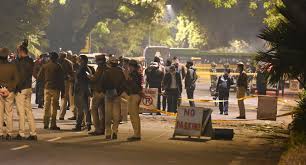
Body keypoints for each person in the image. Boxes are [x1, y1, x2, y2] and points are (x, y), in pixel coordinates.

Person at [14, 40, 37, 140]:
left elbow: (21, 76)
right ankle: (33, 133)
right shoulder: (30, 60)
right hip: (28, 88)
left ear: (21, 52)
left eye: (18, 51)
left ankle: (21, 133)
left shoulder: (22, 62)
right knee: (29, 111)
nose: (17, 53)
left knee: (21, 112)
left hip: (22, 89)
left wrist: (17, 88)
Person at [101, 56, 126, 140]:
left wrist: (105, 92)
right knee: (116, 114)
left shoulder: (106, 72)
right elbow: (123, 83)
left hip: (108, 94)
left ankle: (108, 132)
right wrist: (119, 92)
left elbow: (103, 83)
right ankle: (115, 131)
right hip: (117, 95)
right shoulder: (121, 72)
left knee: (108, 113)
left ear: (110, 63)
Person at [38, 52, 64, 130]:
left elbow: (39, 77)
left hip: (47, 87)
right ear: (56, 58)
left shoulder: (45, 66)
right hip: (55, 88)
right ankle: (53, 124)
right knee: (54, 107)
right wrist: (63, 91)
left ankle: (45, 123)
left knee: (46, 106)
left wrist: (45, 82)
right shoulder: (58, 66)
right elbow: (61, 79)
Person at [0, 48, 19, 140]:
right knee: (9, 113)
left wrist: (1, 88)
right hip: (10, 92)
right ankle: (9, 133)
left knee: (0, 113)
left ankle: (0, 133)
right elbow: (16, 80)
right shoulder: (13, 66)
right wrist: (8, 89)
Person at [89, 54, 108, 136]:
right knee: (103, 111)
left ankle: (97, 129)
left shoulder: (100, 69)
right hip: (105, 92)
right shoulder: (107, 68)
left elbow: (95, 79)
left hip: (98, 92)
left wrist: (90, 76)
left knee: (94, 109)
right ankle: (103, 128)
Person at [73, 55, 93, 131]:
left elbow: (84, 80)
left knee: (81, 109)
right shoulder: (85, 68)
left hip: (82, 90)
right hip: (83, 90)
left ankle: (80, 125)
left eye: (80, 59)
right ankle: (86, 124)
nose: (78, 61)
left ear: (83, 61)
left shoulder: (84, 69)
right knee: (84, 108)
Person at [126, 60, 143, 141]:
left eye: (129, 66)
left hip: (134, 95)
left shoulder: (133, 74)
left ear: (132, 66)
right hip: (136, 95)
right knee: (134, 116)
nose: (128, 68)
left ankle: (136, 134)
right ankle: (136, 133)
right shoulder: (137, 73)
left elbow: (134, 85)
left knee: (134, 116)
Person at [58, 52, 75, 120]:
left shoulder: (57, 61)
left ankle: (61, 115)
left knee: (64, 99)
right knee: (68, 99)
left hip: (63, 81)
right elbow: (71, 73)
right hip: (66, 81)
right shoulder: (69, 62)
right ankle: (64, 115)